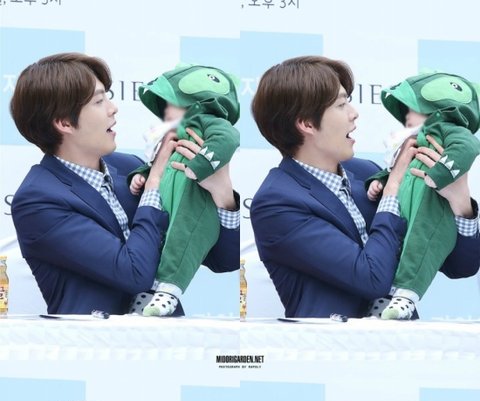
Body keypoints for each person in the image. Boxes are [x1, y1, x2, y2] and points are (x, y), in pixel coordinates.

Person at [250, 56, 480, 319]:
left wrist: (460, 201)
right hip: (332, 342)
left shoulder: (367, 173)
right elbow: (371, 277)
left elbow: (461, 266)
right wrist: (392, 190)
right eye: (341, 104)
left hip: (404, 341)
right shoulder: (277, 202)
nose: (354, 113)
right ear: (307, 124)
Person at [9, 53, 239, 315]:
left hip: (169, 337)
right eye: (99, 101)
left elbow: (224, 260)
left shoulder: (130, 167)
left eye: (107, 96)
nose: (113, 108)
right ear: (65, 123)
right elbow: (133, 272)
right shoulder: (38, 200)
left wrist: (222, 193)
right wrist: (153, 185)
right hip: (96, 339)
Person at [128, 63, 240, 316]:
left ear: (196, 103)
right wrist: (142, 176)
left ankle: (169, 291)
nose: (165, 111)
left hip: (192, 206)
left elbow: (227, 139)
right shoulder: (172, 137)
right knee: (164, 244)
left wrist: (209, 174)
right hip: (166, 212)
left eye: (170, 103)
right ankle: (151, 292)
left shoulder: (209, 123)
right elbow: (157, 165)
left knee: (182, 241)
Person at [367, 71, 480, 320]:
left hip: (430, 214)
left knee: (420, 245)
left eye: (411, 109)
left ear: (437, 108)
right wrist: (381, 182)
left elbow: (468, 147)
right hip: (404, 218)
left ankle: (406, 296)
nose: (406, 116)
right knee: (405, 248)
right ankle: (393, 297)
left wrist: (458, 198)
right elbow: (396, 170)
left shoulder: (448, 131)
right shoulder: (413, 142)